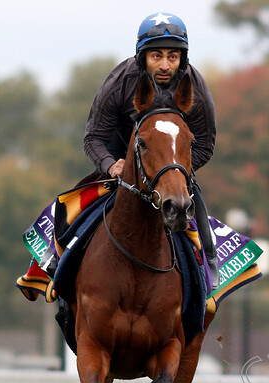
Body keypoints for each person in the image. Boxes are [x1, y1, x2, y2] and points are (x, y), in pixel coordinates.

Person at [82, 11, 219, 289]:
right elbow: (93, 138)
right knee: (73, 208)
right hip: (121, 157)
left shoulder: (196, 88)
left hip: (172, 160)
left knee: (195, 208)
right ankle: (53, 263)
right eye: (157, 56)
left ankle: (211, 267)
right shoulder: (120, 81)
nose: (165, 65)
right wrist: (112, 165)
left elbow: (205, 145)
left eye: (172, 56)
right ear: (142, 57)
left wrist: (174, 172)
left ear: (182, 59)